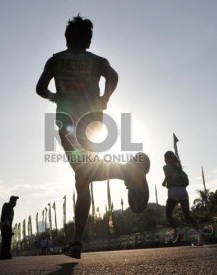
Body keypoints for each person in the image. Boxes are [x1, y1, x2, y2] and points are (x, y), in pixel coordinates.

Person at [36, 15, 150, 259]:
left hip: (67, 127)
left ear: (67, 38)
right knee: (81, 179)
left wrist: (54, 96)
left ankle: (127, 172)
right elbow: (114, 76)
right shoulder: (98, 61)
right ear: (88, 40)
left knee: (82, 175)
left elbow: (39, 89)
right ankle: (77, 241)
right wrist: (105, 99)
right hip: (92, 123)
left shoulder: (55, 61)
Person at [162, 151, 202, 246]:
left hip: (173, 191)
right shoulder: (181, 170)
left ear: (168, 159)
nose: (164, 160)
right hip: (183, 191)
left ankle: (179, 232)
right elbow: (187, 182)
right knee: (187, 215)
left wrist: (164, 182)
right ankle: (200, 234)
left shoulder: (166, 167)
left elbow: (168, 175)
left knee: (168, 214)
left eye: (165, 158)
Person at [0, 195, 18, 260]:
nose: (15, 203)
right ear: (11, 201)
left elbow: (10, 221)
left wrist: (10, 229)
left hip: (8, 226)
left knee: (7, 240)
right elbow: (5, 216)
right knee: (6, 240)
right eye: (15, 201)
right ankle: (4, 255)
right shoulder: (6, 205)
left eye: (16, 202)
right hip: (4, 225)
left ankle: (6, 254)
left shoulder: (12, 209)